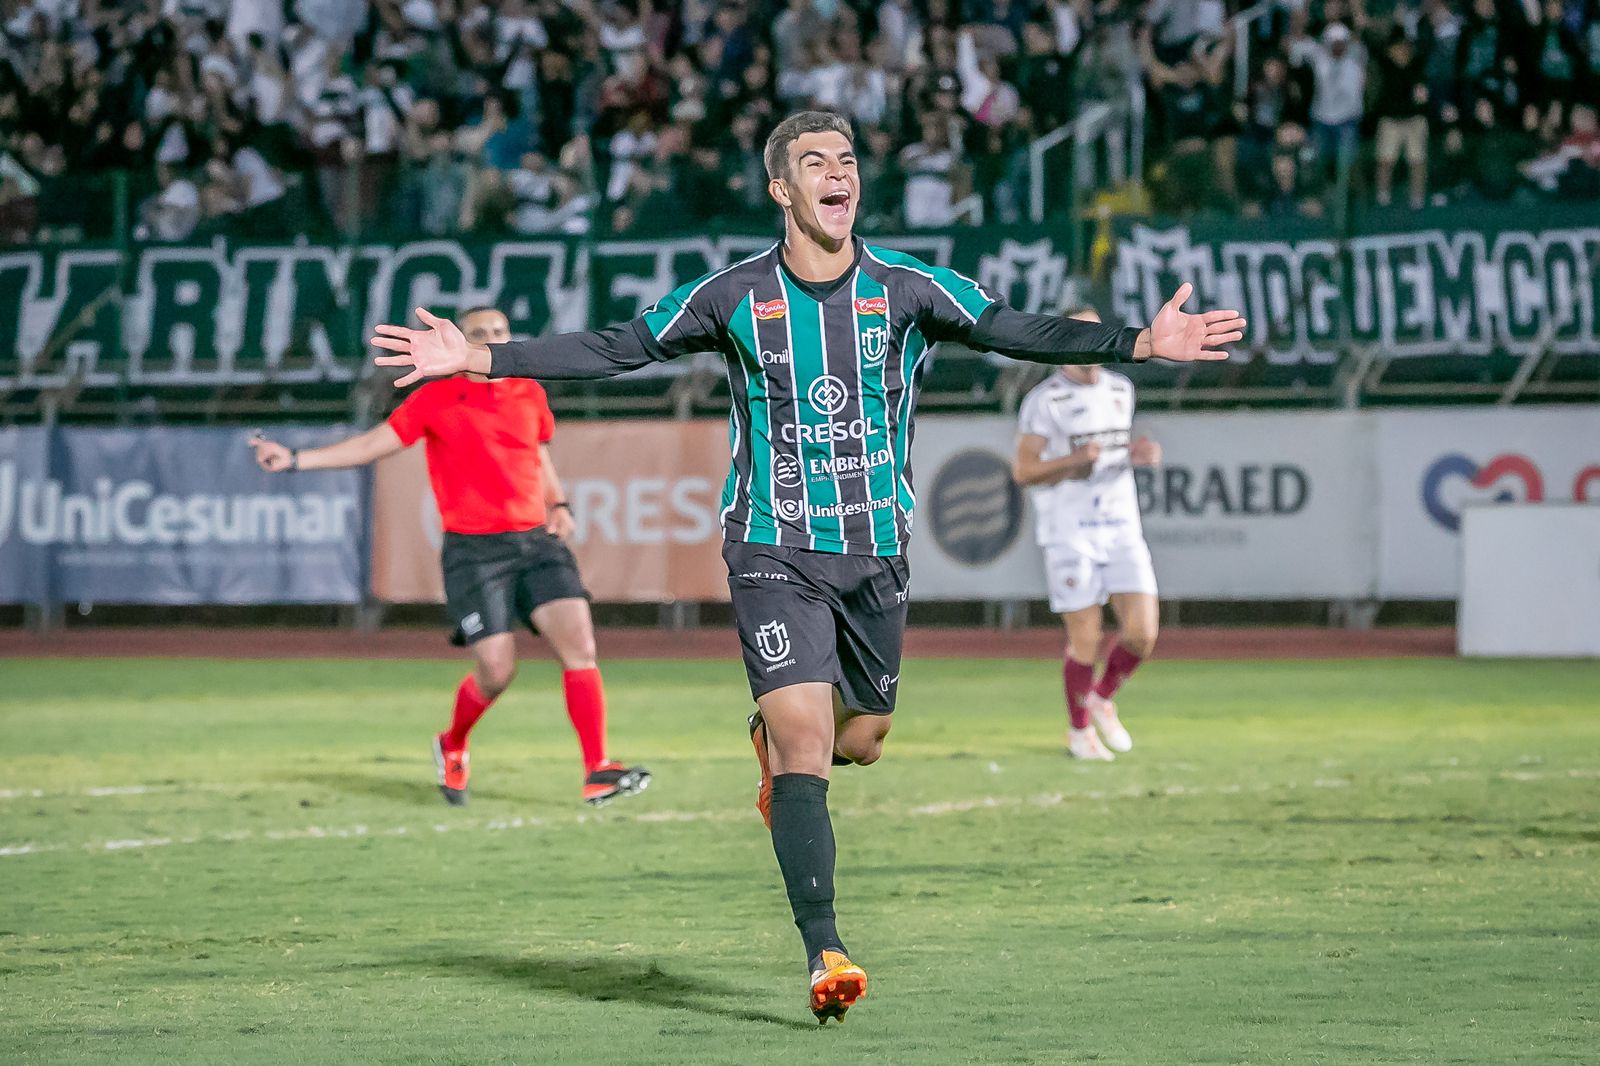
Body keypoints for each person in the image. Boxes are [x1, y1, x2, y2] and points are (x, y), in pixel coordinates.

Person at [368, 110, 1245, 1024]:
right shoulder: (734, 296)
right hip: (770, 548)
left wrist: (1138, 343)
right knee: (806, 749)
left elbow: (1014, 328)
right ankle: (825, 947)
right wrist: (474, 356)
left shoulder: (908, 288)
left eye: (850, 161)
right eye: (817, 162)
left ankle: (777, 744)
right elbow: (616, 348)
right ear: (782, 188)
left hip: (876, 557)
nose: (841, 174)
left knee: (862, 737)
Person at [250, 306, 650, 810]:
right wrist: (295, 460)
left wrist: (560, 502)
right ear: (459, 340)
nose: (492, 340)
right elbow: (376, 443)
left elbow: (537, 453)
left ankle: (597, 770)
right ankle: (453, 742)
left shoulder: (528, 389)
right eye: (480, 333)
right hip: (475, 551)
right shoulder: (435, 398)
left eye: (499, 332)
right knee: (497, 671)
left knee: (580, 647)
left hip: (536, 542)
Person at [1012, 308, 1163, 763]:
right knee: (1086, 639)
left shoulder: (1121, 388)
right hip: (1069, 533)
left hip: (1121, 526)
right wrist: (1072, 461)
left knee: (1143, 633)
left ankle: (1100, 697)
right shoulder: (1045, 401)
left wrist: (1141, 453)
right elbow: (1023, 470)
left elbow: (1116, 450)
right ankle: (1079, 732)